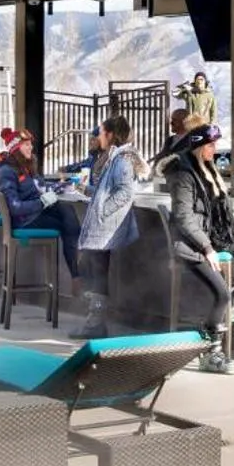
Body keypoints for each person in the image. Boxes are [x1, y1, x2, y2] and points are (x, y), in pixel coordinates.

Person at [161, 123, 234, 374]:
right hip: (191, 246)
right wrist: (208, 248)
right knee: (221, 294)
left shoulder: (205, 170)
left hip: (212, 239)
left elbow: (215, 205)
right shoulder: (183, 174)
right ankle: (211, 354)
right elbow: (185, 218)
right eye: (210, 145)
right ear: (198, 146)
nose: (214, 149)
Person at [71, 117, 141, 339]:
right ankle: (95, 321)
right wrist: (86, 190)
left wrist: (102, 210)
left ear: (110, 135)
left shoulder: (121, 160)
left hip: (105, 228)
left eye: (100, 133)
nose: (98, 137)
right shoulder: (113, 158)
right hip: (102, 227)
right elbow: (105, 192)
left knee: (98, 271)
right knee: (95, 269)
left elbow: (124, 193)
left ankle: (96, 324)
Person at [0, 137, 81, 280]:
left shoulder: (25, 167)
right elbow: (15, 208)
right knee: (67, 225)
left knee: (67, 210)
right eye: (26, 144)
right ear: (16, 149)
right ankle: (77, 274)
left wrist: (60, 187)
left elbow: (39, 185)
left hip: (34, 215)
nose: (31, 147)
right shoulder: (6, 172)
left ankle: (78, 270)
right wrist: (42, 202)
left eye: (31, 144)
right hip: (24, 221)